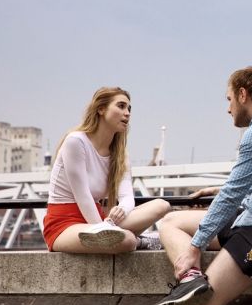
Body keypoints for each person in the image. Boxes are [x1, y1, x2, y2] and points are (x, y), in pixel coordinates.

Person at [144, 67, 252, 305]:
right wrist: (220, 189)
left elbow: (233, 195)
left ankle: (195, 281)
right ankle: (192, 280)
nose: (228, 108)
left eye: (229, 99)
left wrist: (194, 248)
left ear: (243, 94)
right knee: (170, 221)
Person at [42, 87, 170, 253]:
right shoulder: (75, 142)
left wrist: (121, 210)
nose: (127, 113)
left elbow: (127, 197)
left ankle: (122, 236)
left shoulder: (120, 153)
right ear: (101, 109)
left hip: (101, 220)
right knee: (128, 241)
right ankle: (141, 241)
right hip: (65, 226)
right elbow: (84, 197)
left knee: (162, 205)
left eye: (129, 109)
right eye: (121, 106)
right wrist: (103, 229)